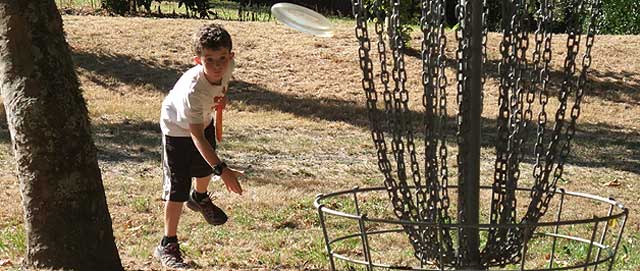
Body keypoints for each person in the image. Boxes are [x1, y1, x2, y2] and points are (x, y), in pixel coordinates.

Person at [155, 23, 243, 269]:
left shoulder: (227, 68)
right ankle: (167, 244)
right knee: (177, 188)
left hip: (202, 120)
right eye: (210, 60)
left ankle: (199, 198)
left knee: (204, 168)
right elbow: (196, 136)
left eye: (222, 59)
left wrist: (221, 99)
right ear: (198, 60)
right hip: (178, 129)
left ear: (230, 56)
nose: (217, 66)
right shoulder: (194, 90)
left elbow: (221, 83)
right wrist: (223, 170)